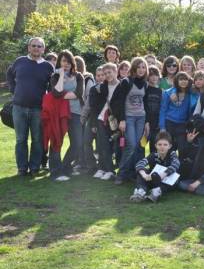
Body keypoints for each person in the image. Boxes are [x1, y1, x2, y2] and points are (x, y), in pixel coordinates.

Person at [7, 37, 54, 176]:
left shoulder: (47, 66)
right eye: (33, 45)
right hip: (19, 107)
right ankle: (22, 168)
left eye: (39, 46)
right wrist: (13, 89)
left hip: (38, 109)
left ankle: (34, 167)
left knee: (37, 140)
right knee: (21, 139)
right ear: (29, 47)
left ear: (43, 49)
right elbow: (9, 74)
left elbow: (51, 88)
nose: (36, 48)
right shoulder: (19, 61)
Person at [111, 57, 149, 184]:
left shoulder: (145, 84)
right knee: (131, 145)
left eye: (144, 67)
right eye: (139, 67)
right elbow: (116, 101)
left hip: (141, 118)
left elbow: (146, 103)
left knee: (137, 146)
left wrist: (147, 122)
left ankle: (134, 173)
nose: (141, 69)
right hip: (129, 118)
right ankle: (121, 174)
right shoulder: (126, 82)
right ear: (134, 68)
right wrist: (121, 119)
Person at [48, 50, 85, 181]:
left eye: (69, 61)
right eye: (64, 61)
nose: (67, 64)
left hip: (75, 113)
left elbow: (79, 93)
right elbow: (56, 92)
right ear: (59, 62)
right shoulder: (55, 76)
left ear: (72, 63)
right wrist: (62, 76)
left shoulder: (79, 76)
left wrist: (63, 95)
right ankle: (55, 171)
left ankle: (65, 166)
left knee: (78, 143)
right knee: (57, 141)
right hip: (59, 114)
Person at [88, 63, 121, 180]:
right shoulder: (102, 87)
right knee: (102, 144)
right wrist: (93, 123)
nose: (107, 75)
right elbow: (94, 106)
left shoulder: (121, 86)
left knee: (110, 145)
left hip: (113, 120)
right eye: (105, 73)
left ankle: (110, 170)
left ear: (115, 72)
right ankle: (102, 168)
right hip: (101, 118)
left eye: (109, 72)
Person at [129, 131, 180, 203]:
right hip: (154, 178)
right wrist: (144, 175)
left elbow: (176, 164)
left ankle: (156, 193)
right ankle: (140, 192)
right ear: (156, 145)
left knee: (175, 178)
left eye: (165, 145)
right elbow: (139, 163)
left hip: (165, 180)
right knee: (141, 172)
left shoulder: (172, 154)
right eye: (160, 144)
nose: (162, 147)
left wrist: (164, 174)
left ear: (170, 146)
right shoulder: (153, 155)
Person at [159, 72, 198, 154]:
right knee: (168, 148)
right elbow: (163, 110)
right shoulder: (168, 93)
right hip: (169, 122)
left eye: (185, 79)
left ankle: (180, 166)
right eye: (181, 79)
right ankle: (166, 165)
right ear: (176, 81)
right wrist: (162, 127)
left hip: (182, 124)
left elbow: (198, 98)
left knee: (182, 148)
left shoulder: (190, 94)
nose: (183, 81)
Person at [144, 66, 163, 153]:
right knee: (141, 144)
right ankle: (139, 164)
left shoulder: (160, 91)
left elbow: (162, 107)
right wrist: (146, 122)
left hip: (156, 122)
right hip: (146, 121)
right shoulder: (145, 89)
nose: (154, 77)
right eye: (151, 75)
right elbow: (144, 106)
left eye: (156, 75)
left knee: (154, 146)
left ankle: (154, 165)